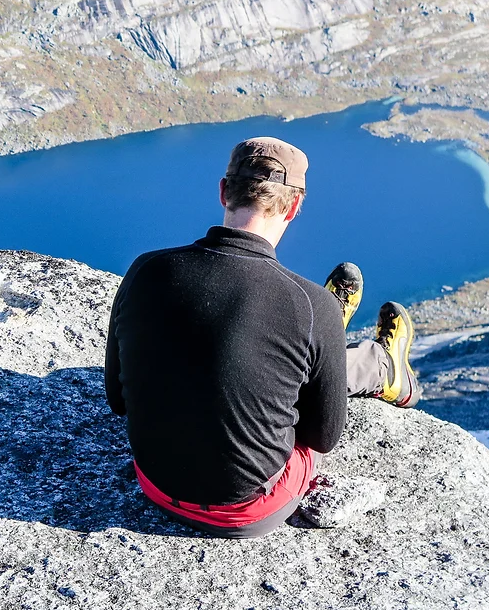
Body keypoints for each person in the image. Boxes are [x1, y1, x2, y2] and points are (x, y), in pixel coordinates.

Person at [104, 136, 420, 538]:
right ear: (293, 206)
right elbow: (322, 438)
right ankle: (382, 367)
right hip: (248, 508)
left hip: (155, 485)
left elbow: (117, 399)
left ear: (222, 191)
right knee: (305, 359)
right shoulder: (310, 302)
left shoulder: (145, 270)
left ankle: (315, 352)